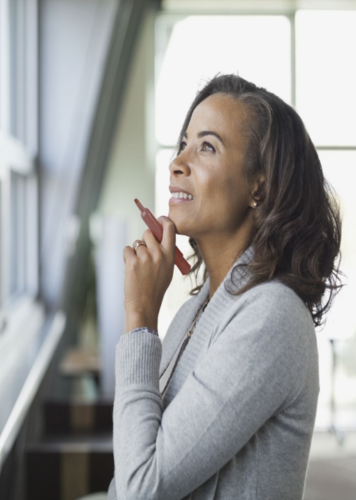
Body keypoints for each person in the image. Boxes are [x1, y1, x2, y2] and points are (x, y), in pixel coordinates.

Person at [106, 73, 343, 499]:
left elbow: (141, 488)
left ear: (259, 184)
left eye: (207, 147)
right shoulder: (196, 311)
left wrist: (140, 319)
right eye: (183, 143)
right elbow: (131, 468)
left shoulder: (271, 318)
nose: (177, 163)